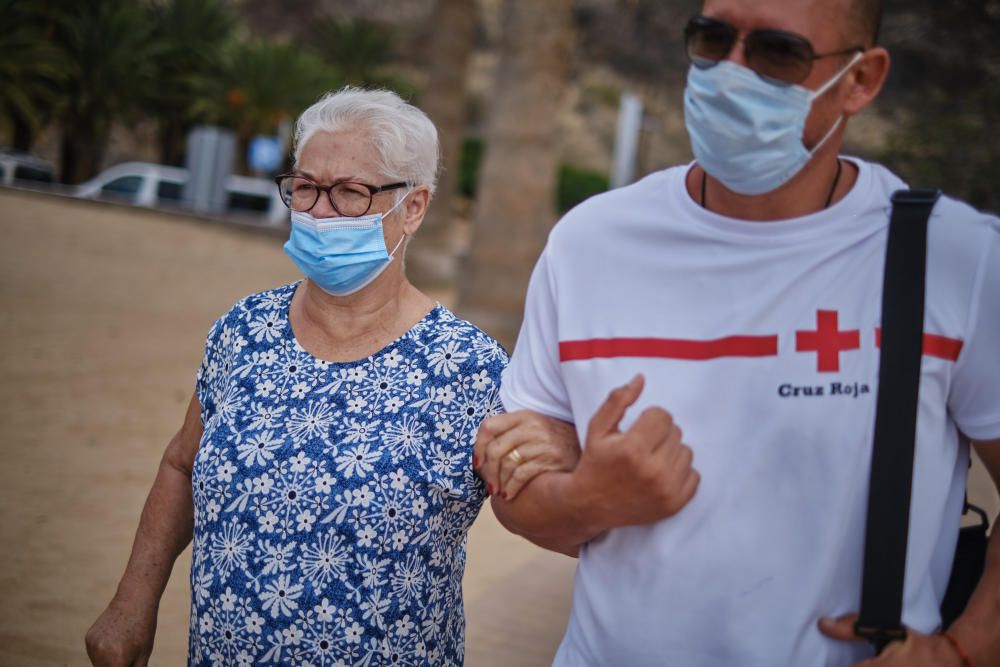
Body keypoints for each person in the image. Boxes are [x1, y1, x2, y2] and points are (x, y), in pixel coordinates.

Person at [474, 0, 1000, 664]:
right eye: (714, 39)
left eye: (778, 52)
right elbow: (516, 498)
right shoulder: (589, 244)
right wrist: (587, 499)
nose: (732, 71)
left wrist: (965, 647)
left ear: (861, 80)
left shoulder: (955, 261)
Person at [85, 87, 576, 667]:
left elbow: (535, 507)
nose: (318, 212)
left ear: (413, 208)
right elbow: (181, 464)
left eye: (349, 193)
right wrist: (133, 600)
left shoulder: (468, 368)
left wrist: (567, 451)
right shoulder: (243, 331)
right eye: (307, 188)